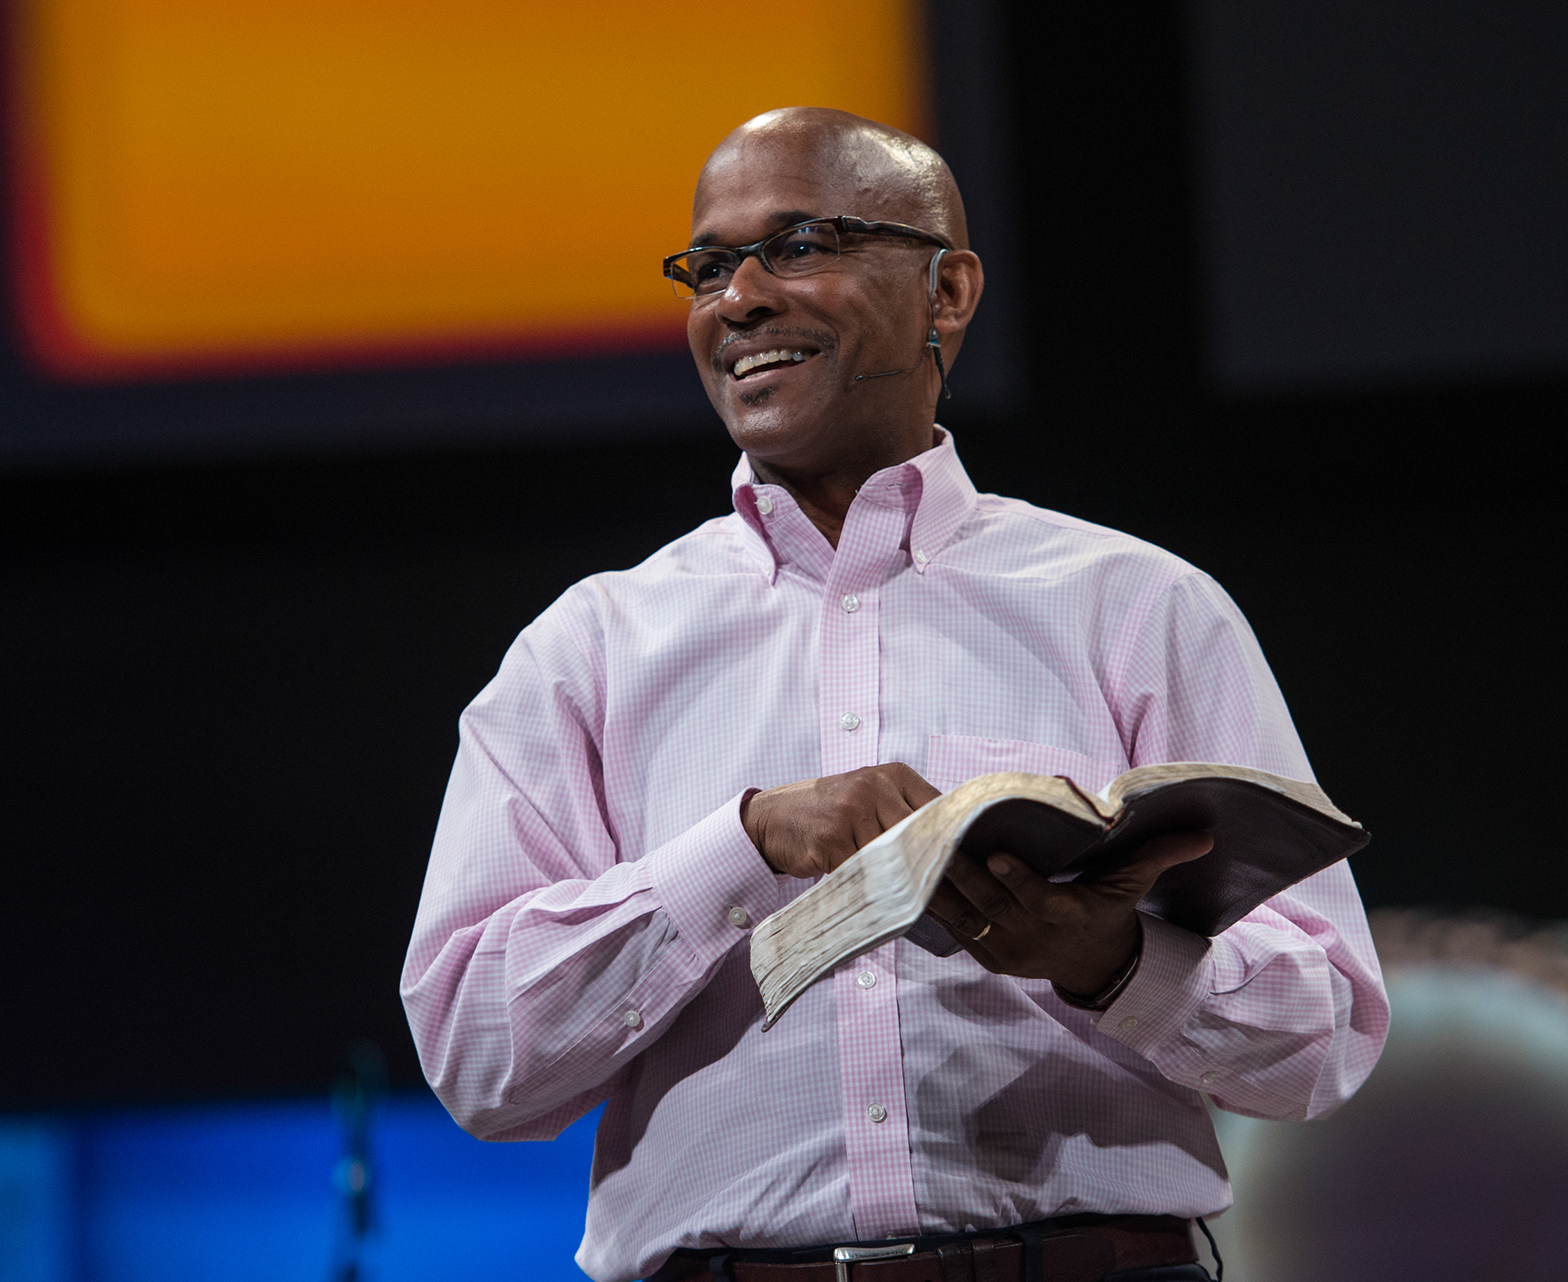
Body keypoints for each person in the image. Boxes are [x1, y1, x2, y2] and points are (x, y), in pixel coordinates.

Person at [402, 107, 1388, 1282]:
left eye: (798, 245)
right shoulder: (589, 649)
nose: (738, 299)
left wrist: (1113, 959)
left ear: (947, 291)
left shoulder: (1137, 606)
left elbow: (1323, 1038)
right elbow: (479, 1061)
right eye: (707, 268)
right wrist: (745, 844)